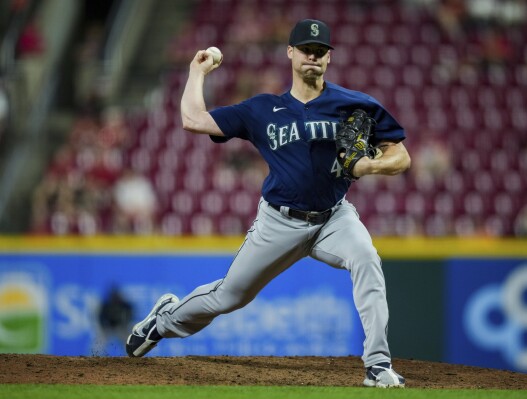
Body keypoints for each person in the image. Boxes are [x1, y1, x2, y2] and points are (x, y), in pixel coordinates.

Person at [126, 19, 411, 388]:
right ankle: (162, 321)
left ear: (329, 58)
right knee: (229, 297)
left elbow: (401, 155)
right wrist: (197, 73)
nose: (313, 56)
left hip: (334, 217)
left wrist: (372, 165)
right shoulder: (263, 109)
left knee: (367, 258)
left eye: (320, 51)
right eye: (306, 49)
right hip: (279, 221)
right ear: (290, 52)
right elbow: (192, 120)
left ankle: (377, 365)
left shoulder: (355, 104)